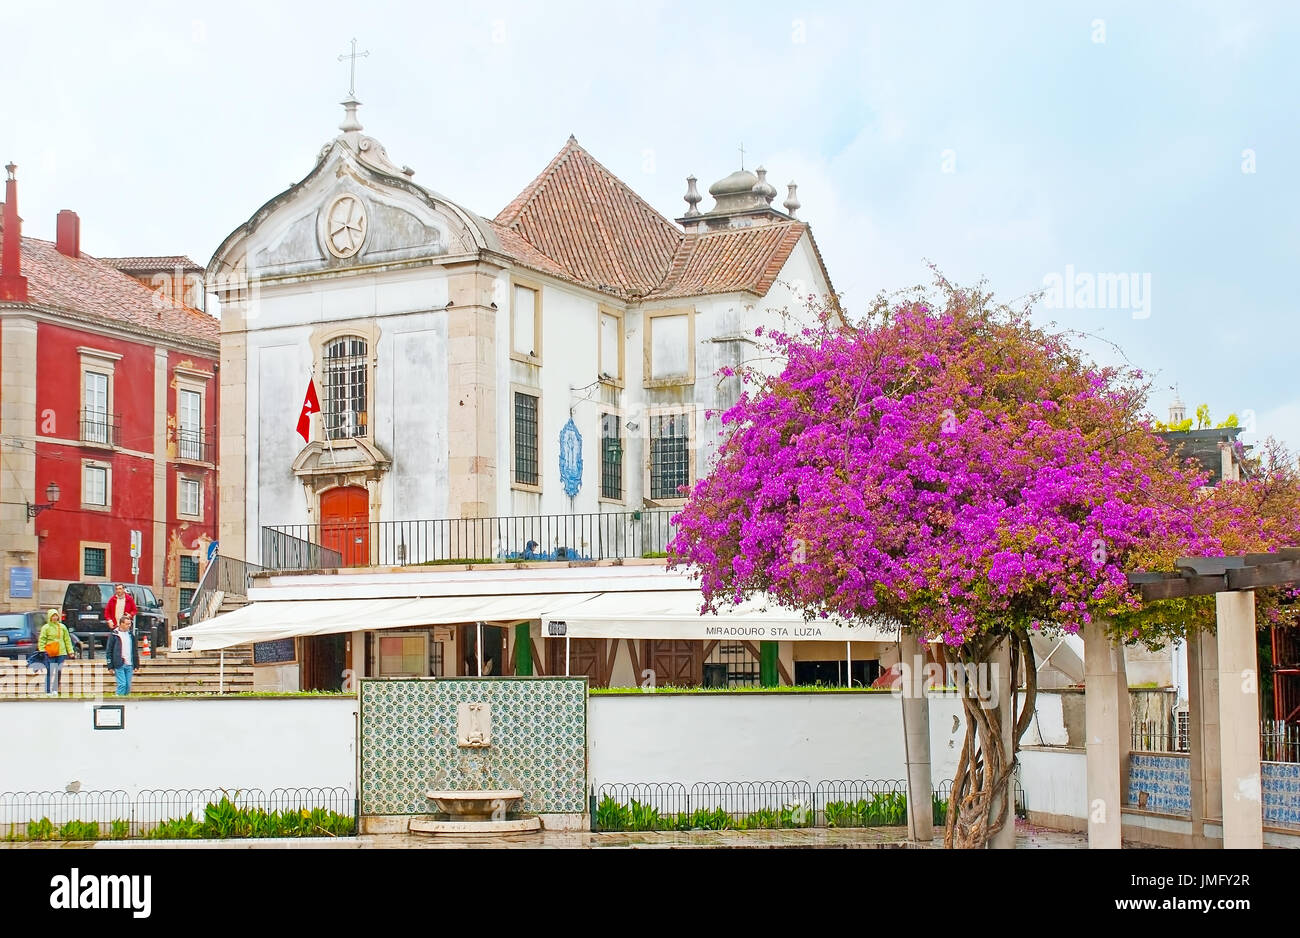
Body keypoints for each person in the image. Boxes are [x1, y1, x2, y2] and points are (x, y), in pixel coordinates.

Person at [36, 609, 78, 696]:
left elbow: (67, 640)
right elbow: (42, 639)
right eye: (53, 616)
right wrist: (42, 649)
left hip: (61, 652)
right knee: (50, 670)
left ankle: (55, 689)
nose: (55, 617)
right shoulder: (46, 628)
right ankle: (47, 690)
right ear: (50, 617)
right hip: (50, 652)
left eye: (56, 616)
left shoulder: (62, 627)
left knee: (58, 670)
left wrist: (70, 651)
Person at [105, 615, 140, 696]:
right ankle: (117, 700)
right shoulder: (114, 635)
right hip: (119, 663)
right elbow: (109, 651)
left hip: (129, 663)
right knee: (122, 684)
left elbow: (134, 650)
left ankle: (126, 701)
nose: (129, 626)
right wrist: (110, 665)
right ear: (121, 624)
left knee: (128, 686)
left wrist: (136, 664)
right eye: (127, 624)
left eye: (130, 624)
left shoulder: (131, 635)